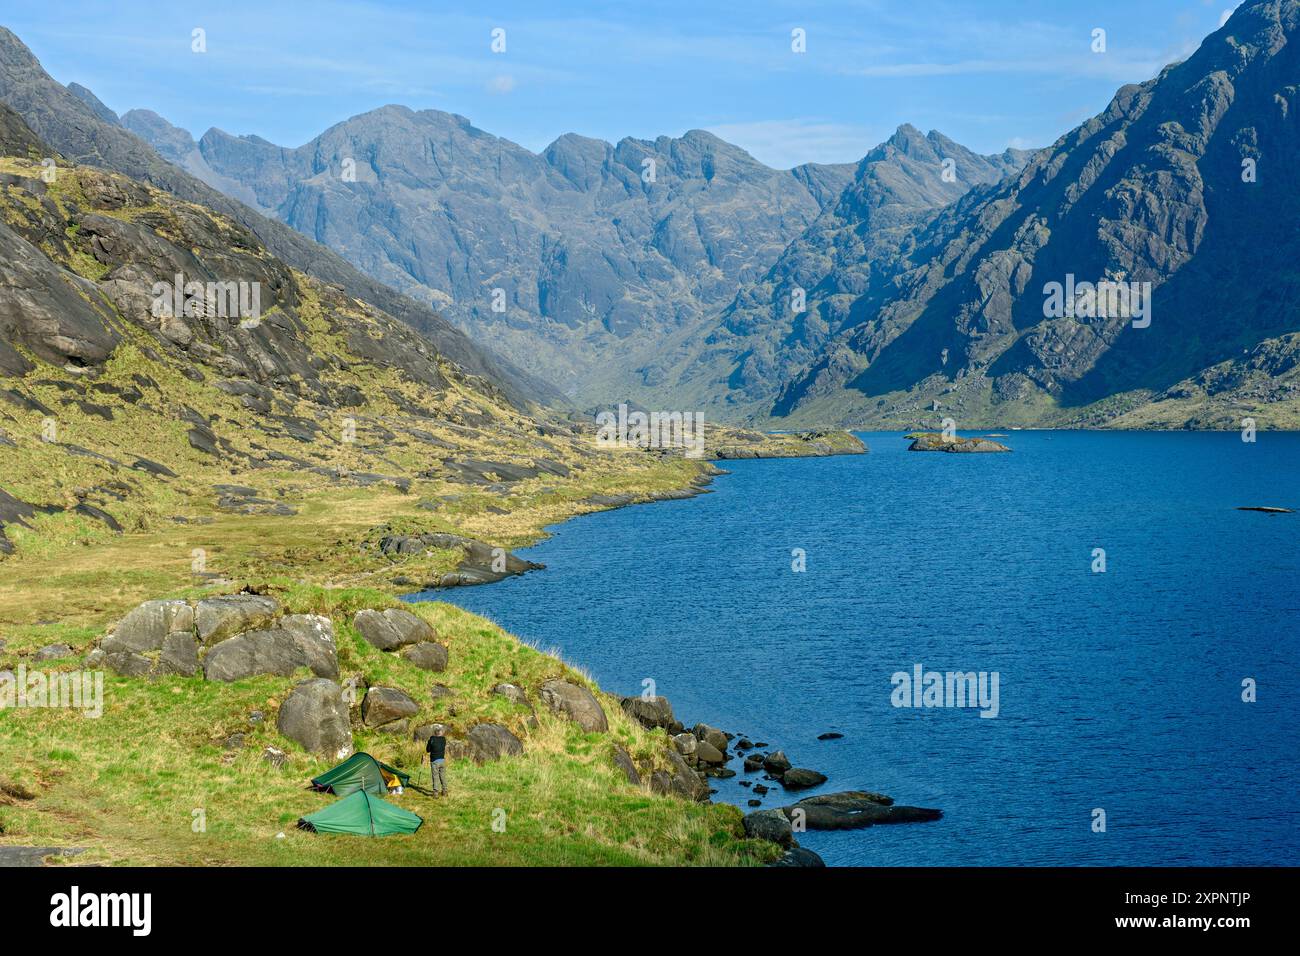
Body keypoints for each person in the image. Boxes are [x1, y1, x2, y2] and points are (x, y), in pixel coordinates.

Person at [425, 724, 447, 797]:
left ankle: (436, 793)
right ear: (440, 732)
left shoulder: (432, 739)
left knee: (435, 776)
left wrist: (430, 742)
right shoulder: (443, 739)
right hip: (442, 761)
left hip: (434, 761)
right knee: (443, 776)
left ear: (435, 732)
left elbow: (428, 750)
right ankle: (445, 791)